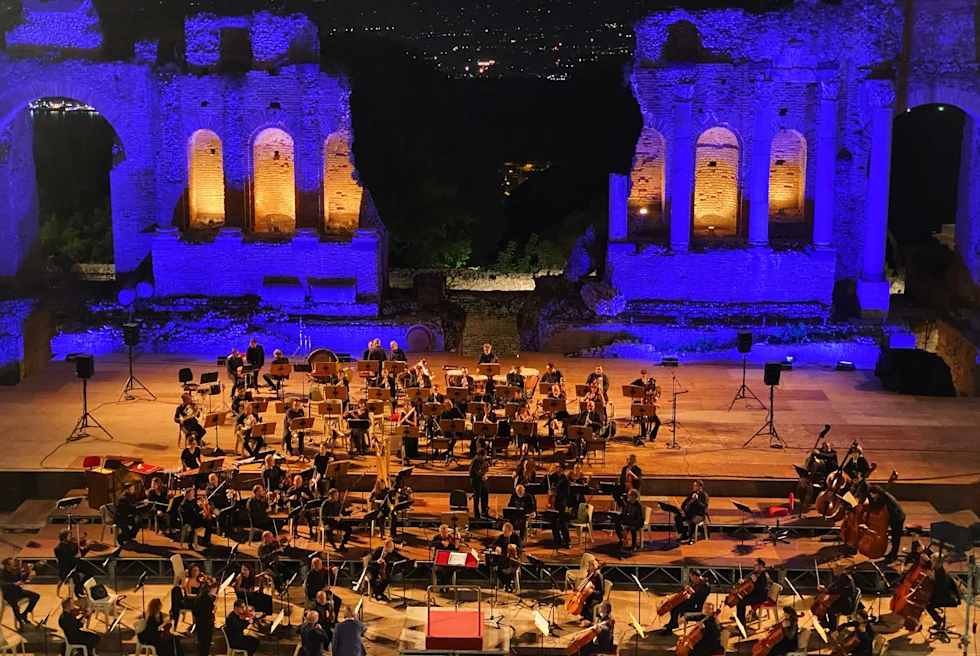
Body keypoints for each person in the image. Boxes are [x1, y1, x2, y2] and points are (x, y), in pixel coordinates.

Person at [867, 484, 906, 563]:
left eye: (872, 495)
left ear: (876, 493)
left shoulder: (883, 498)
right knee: (894, 536)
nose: (872, 496)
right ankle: (892, 553)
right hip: (894, 517)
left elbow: (874, 506)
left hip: (897, 518)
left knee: (896, 536)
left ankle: (894, 555)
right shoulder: (883, 496)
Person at [816, 562, 857, 630]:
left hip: (846, 604)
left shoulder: (845, 578)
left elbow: (839, 590)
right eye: (833, 569)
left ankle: (832, 627)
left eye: (836, 569)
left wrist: (826, 590)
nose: (834, 570)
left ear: (841, 569)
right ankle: (829, 624)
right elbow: (835, 587)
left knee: (830, 609)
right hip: (844, 600)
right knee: (827, 606)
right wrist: (826, 589)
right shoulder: (842, 576)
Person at [0, 558, 37, 629]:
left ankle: (25, 613)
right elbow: (3, 584)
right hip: (8, 594)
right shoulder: (2, 574)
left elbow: (21, 579)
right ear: (7, 566)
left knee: (35, 596)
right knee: (14, 605)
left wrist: (28, 572)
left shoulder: (13, 571)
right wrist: (14, 584)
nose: (14, 565)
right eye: (11, 564)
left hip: (18, 591)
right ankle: (20, 621)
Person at [926, 555, 961, 629]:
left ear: (937, 562)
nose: (931, 562)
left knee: (928, 605)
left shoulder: (941, 573)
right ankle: (938, 619)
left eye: (932, 560)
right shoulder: (938, 570)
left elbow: (939, 588)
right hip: (942, 594)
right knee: (927, 602)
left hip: (945, 597)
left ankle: (938, 620)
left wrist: (932, 579)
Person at [55, 528, 91, 597]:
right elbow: (66, 561)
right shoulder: (58, 549)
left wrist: (87, 548)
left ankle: (83, 587)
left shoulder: (70, 544)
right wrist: (75, 557)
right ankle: (78, 593)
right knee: (76, 576)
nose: (71, 537)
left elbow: (80, 553)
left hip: (75, 565)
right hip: (67, 569)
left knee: (88, 570)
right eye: (69, 536)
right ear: (64, 537)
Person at [734, 559, 771, 626]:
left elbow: (762, 589)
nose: (754, 567)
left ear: (761, 566)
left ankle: (742, 623)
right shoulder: (758, 573)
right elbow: (750, 583)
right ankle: (739, 617)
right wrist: (743, 581)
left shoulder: (764, 576)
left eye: (756, 565)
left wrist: (755, 582)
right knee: (740, 598)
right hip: (755, 594)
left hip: (760, 597)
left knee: (741, 602)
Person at [630, 369, 660, 445]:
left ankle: (652, 436)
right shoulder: (644, 395)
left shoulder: (654, 394)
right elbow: (642, 402)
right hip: (645, 411)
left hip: (652, 412)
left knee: (658, 422)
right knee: (642, 420)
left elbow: (657, 403)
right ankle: (643, 434)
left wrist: (654, 403)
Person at [179, 488, 214, 552]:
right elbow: (190, 515)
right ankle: (190, 544)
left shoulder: (193, 501)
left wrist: (202, 507)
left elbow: (197, 510)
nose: (194, 495)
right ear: (188, 495)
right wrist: (200, 512)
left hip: (195, 519)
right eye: (192, 494)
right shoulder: (184, 504)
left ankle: (205, 541)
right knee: (194, 528)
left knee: (209, 522)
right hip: (190, 521)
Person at [676, 480, 709, 544]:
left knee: (692, 522)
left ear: (700, 487)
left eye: (696, 486)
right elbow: (684, 503)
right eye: (693, 485)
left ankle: (690, 538)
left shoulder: (704, 496)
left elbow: (703, 508)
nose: (694, 487)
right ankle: (683, 534)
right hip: (690, 513)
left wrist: (697, 500)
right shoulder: (692, 493)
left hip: (699, 515)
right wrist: (682, 510)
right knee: (677, 517)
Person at [321, 487, 353, 552]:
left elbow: (343, 513)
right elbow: (324, 517)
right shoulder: (326, 504)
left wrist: (350, 512)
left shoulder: (338, 503)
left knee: (349, 529)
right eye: (335, 495)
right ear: (330, 496)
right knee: (329, 530)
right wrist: (333, 518)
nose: (337, 497)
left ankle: (342, 545)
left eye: (337, 495)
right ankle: (333, 546)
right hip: (328, 522)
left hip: (336, 522)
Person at [573, 559, 605, 625]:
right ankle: (585, 617)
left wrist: (592, 592)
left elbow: (601, 592)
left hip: (596, 597)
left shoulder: (599, 576)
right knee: (581, 604)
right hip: (589, 595)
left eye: (588, 566)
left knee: (588, 605)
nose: (587, 568)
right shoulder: (590, 575)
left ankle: (589, 621)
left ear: (592, 567)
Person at [548, 462, 571, 549]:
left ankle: (567, 541)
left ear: (562, 469)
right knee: (553, 522)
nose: (555, 468)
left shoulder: (565, 480)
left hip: (561, 503)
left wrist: (556, 493)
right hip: (552, 503)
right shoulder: (553, 477)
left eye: (557, 467)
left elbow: (566, 494)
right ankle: (557, 540)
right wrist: (549, 472)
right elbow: (545, 481)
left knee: (562, 523)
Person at [286, 474, 315, 538]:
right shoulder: (291, 489)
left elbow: (313, 498)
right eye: (297, 481)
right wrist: (290, 498)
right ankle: (295, 531)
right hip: (295, 507)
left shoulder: (305, 488)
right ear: (294, 482)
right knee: (296, 514)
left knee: (309, 514)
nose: (298, 483)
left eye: (300, 482)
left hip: (304, 507)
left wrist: (306, 496)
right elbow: (285, 499)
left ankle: (310, 531)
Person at [192, 579, 216, 656]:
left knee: (201, 643)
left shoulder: (199, 598)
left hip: (200, 623)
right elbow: (210, 611)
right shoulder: (208, 599)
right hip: (206, 623)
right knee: (206, 644)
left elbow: (195, 611)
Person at [470, 448, 489, 520]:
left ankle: (484, 512)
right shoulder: (474, 462)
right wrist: (481, 476)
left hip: (482, 481)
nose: (485, 457)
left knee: (485, 494)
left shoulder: (483, 461)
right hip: (476, 482)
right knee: (476, 498)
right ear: (480, 455)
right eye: (484, 455)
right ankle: (477, 515)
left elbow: (485, 469)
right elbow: (472, 473)